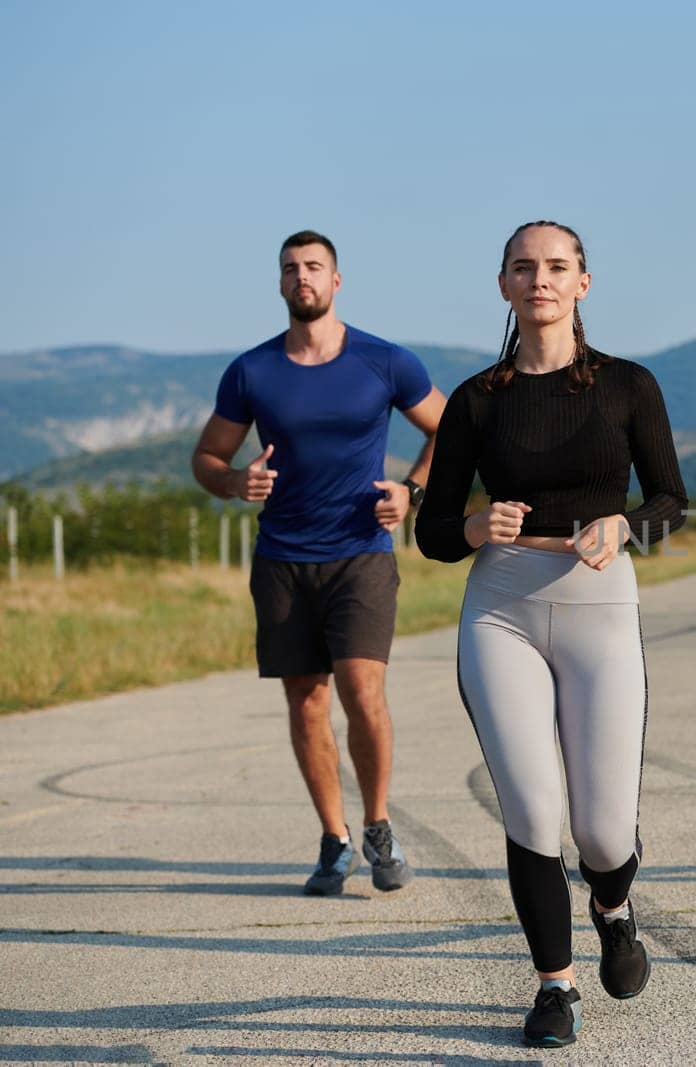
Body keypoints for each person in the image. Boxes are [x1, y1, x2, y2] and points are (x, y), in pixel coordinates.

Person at [415, 221, 687, 1049]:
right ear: (503, 284)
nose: (541, 279)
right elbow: (430, 529)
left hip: (600, 599)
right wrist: (472, 525)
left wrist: (629, 525)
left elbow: (672, 500)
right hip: (501, 604)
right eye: (524, 267)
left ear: (583, 283)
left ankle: (613, 906)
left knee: (603, 830)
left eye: (557, 266)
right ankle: (553, 986)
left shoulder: (628, 386)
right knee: (533, 808)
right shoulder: (475, 399)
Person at [192, 230, 446, 896]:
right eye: (290, 269)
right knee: (307, 702)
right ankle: (335, 839)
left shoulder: (384, 360)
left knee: (363, 694)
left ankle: (379, 824)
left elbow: (450, 431)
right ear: (280, 285)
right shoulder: (251, 371)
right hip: (281, 559)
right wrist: (234, 482)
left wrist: (411, 491)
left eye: (313, 267)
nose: (301, 276)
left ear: (337, 281)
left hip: (360, 553)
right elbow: (207, 459)